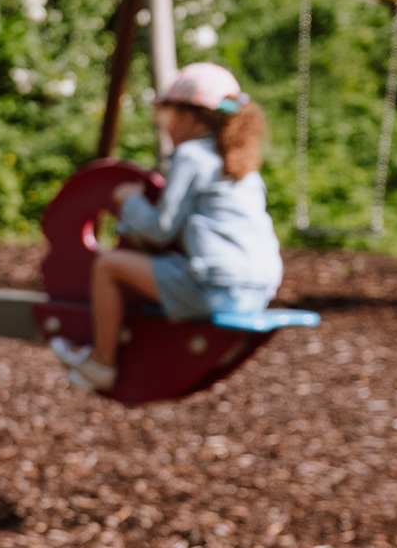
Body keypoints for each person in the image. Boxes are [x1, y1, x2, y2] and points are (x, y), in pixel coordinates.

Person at [52, 62, 282, 394]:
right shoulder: (239, 159)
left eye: (168, 116)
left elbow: (161, 228)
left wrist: (129, 202)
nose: (166, 126)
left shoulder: (190, 155)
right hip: (259, 290)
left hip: (216, 288)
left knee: (108, 266)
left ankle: (102, 363)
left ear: (191, 117)